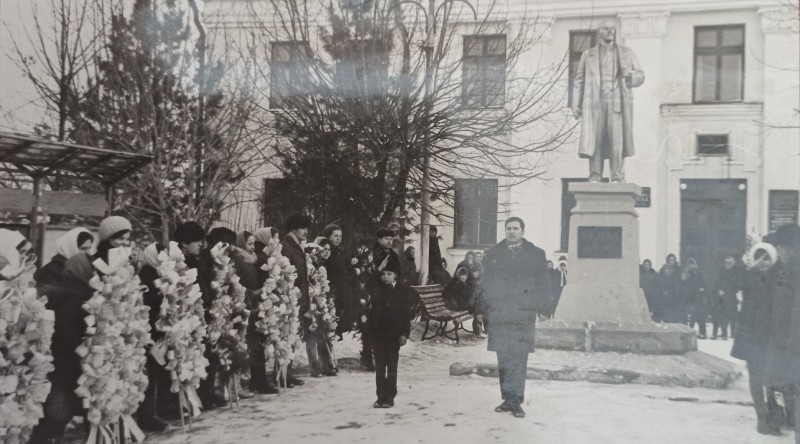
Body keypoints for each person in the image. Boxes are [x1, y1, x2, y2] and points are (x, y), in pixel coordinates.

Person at [479, 217, 550, 418]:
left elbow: (543, 283)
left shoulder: (536, 254)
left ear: (522, 231)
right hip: (500, 313)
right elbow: (486, 283)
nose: (511, 232)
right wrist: (483, 310)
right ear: (505, 231)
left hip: (523, 313)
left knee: (519, 357)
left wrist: (543, 309)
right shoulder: (493, 254)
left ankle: (516, 400)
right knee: (503, 357)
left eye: (515, 228)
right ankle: (507, 398)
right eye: (508, 228)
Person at [30, 253, 97, 443]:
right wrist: (88, 346)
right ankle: (47, 436)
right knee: (63, 399)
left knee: (67, 398)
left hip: (72, 354)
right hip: (71, 356)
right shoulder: (75, 297)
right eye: (91, 270)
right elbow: (69, 328)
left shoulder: (76, 291)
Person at [571, 20, 644, 183]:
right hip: (594, 104)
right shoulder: (588, 54)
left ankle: (617, 176)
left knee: (616, 140)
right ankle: (595, 174)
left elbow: (641, 76)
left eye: (612, 29)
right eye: (606, 28)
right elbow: (578, 80)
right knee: (595, 140)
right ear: (599, 33)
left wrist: (631, 76)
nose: (610, 31)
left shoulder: (626, 53)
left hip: (617, 103)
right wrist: (575, 104)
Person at [731, 247, 782, 435]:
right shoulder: (748, 276)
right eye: (759, 257)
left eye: (767, 258)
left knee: (771, 379)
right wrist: (750, 268)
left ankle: (774, 416)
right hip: (750, 335)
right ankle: (762, 418)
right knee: (755, 377)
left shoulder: (777, 277)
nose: (763, 262)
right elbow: (734, 283)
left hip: (771, 335)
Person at [762, 225, 800, 443]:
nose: (779, 253)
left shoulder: (794, 275)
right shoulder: (785, 273)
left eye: (781, 248)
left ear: (790, 249)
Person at [366, 254, 415, 408]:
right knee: (380, 368)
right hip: (379, 335)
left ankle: (390, 396)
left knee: (392, 367)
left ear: (396, 275)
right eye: (383, 274)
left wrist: (404, 334)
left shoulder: (402, 291)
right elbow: (368, 284)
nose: (385, 277)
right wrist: (377, 270)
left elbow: (405, 314)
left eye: (389, 274)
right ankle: (380, 397)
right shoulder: (378, 288)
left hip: (394, 337)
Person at [281, 213, 324, 380]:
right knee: (288, 334)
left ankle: (287, 373)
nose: (306, 231)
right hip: (292, 299)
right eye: (303, 228)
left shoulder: (298, 245)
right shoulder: (287, 246)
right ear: (293, 228)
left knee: (294, 335)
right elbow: (288, 274)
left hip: (301, 298)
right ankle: (283, 374)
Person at [135, 243, 171, 430]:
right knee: (151, 371)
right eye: (161, 255)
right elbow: (152, 300)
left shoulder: (157, 272)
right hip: (150, 328)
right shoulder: (148, 274)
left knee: (156, 371)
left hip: (158, 327)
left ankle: (151, 412)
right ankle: (146, 415)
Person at [35, 228, 93, 298]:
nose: (88, 252)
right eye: (83, 249)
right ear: (71, 247)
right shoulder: (51, 271)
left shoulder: (85, 266)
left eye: (89, 248)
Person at [320, 224, 355, 339]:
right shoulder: (326, 252)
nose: (338, 238)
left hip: (341, 292)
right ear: (328, 236)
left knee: (335, 326)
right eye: (335, 236)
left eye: (340, 236)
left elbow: (345, 272)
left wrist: (352, 268)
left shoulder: (341, 252)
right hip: (330, 292)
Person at [712, 256, 742, 340]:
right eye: (726, 262)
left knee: (733, 316)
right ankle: (724, 333)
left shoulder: (736, 273)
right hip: (721, 298)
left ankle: (733, 332)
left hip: (731, 297)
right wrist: (718, 290)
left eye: (729, 263)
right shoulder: (721, 272)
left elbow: (736, 285)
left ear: (732, 263)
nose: (727, 264)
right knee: (721, 315)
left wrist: (726, 291)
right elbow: (717, 282)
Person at [657, 254, 681, 323]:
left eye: (672, 260)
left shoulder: (678, 269)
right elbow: (660, 281)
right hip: (665, 296)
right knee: (667, 314)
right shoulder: (663, 269)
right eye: (670, 260)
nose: (671, 261)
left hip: (675, 295)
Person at [468, 265, 486, 338]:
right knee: (478, 312)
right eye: (473, 272)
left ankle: (478, 331)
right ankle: (477, 332)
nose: (475, 274)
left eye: (477, 272)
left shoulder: (479, 281)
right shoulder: (470, 282)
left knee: (480, 311)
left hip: (477, 303)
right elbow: (471, 295)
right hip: (471, 303)